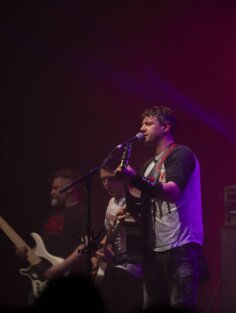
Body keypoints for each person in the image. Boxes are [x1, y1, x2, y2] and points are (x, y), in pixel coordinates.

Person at [115, 105, 204, 311]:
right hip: (153, 250)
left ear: (165, 127)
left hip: (180, 245)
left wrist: (134, 179)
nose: (141, 128)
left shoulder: (181, 154)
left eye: (148, 123)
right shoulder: (148, 164)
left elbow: (172, 192)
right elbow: (149, 204)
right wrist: (130, 215)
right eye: (142, 124)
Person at [15, 169, 92, 302]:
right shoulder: (52, 213)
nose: (52, 192)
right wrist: (26, 252)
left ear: (70, 189)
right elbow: (41, 247)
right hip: (42, 279)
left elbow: (87, 243)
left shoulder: (84, 210)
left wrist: (62, 266)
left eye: (56, 188)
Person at [93, 163, 143, 313]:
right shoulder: (111, 202)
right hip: (113, 266)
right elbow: (109, 234)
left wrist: (114, 258)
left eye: (111, 178)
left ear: (122, 178)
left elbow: (143, 238)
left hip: (129, 269)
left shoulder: (134, 202)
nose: (107, 184)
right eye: (103, 180)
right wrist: (100, 252)